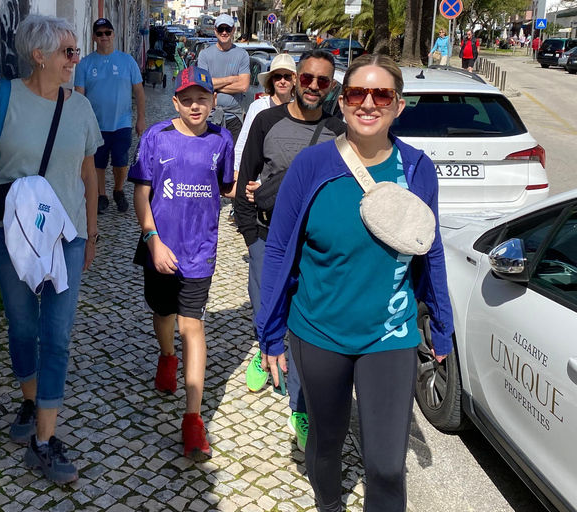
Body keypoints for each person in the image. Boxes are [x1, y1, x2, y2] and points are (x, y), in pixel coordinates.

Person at [256, 54, 453, 510]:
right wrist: (269, 331)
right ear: (341, 103)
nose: (368, 103)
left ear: (398, 105)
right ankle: (329, 503)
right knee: (326, 445)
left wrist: (441, 324)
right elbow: (281, 251)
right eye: (356, 94)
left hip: (390, 333)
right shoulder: (311, 166)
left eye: (381, 94)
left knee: (386, 464)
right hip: (319, 331)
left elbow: (433, 248)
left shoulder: (418, 169)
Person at [0, 14, 101, 484]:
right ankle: (28, 398)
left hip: (68, 238)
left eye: (76, 51)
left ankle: (44, 439)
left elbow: (89, 174)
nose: (75, 59)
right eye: (68, 52)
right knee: (22, 327)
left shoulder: (80, 107)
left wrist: (93, 232)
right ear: (39, 55)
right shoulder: (1, 98)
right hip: (10, 236)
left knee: (56, 336)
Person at [235, 49, 346, 454]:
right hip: (267, 239)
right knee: (266, 307)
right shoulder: (267, 121)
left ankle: (298, 407)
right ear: (296, 80)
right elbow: (245, 180)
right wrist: (250, 236)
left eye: (323, 81)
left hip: (315, 249)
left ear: (331, 87)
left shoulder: (340, 130)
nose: (314, 86)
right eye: (307, 79)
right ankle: (265, 352)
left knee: (303, 326)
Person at [129, 66, 235, 461]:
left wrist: (256, 190)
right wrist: (152, 240)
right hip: (159, 247)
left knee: (192, 325)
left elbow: (226, 187)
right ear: (176, 101)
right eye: (187, 99)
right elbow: (143, 194)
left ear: (212, 101)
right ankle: (167, 355)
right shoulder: (156, 137)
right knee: (162, 313)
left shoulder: (222, 140)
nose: (195, 105)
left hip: (200, 252)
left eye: (202, 98)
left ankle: (193, 419)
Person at [75, 18, 146, 214]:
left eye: (108, 32)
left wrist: (141, 118)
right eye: (100, 33)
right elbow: (79, 96)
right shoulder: (84, 65)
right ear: (94, 37)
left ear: (113, 35)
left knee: (120, 160)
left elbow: (139, 91)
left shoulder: (127, 61)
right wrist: (79, 123)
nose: (104, 36)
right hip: (95, 124)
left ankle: (118, 190)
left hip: (122, 122)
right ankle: (101, 196)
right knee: (97, 162)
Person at [231, 53, 297, 185]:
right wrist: (236, 172)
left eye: (287, 76)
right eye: (278, 76)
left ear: (294, 80)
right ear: (271, 80)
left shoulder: (299, 110)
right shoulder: (258, 107)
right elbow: (243, 143)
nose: (282, 81)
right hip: (257, 181)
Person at [196, 14, 250, 142]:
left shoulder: (242, 55)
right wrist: (230, 79)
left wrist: (215, 86)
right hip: (208, 117)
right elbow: (202, 84)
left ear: (233, 30)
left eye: (228, 29)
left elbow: (243, 86)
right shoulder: (204, 54)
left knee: (232, 159)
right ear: (215, 30)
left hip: (233, 118)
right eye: (221, 29)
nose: (224, 32)